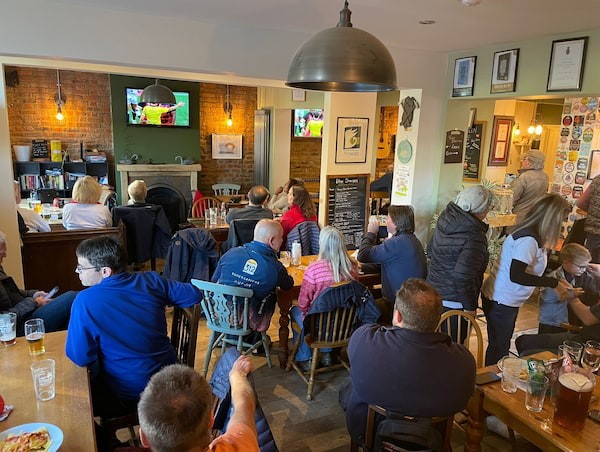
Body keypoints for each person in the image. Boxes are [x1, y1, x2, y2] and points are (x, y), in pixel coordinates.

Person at [65, 235, 201, 420]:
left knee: (75, 399)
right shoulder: (152, 281)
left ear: (105, 271)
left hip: (131, 394)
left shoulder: (85, 301)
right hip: (170, 378)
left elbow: (80, 358)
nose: (77, 271)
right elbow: (193, 295)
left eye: (81, 267)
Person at [342, 278, 476, 445]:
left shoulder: (365, 340)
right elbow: (461, 401)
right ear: (437, 320)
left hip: (371, 435)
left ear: (397, 315)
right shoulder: (463, 362)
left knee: (351, 388)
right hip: (433, 440)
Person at [481, 193, 574, 365]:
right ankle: (489, 384)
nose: (561, 225)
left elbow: (529, 272)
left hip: (503, 299)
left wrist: (557, 281)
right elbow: (516, 275)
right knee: (499, 347)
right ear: (551, 219)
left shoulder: (532, 236)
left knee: (498, 345)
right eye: (561, 220)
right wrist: (552, 283)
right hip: (502, 300)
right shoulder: (528, 240)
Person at [137, 356, 259, 452]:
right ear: (211, 420)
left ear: (144, 437)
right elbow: (244, 406)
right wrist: (237, 376)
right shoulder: (239, 446)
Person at [290, 226, 360, 372]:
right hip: (344, 326)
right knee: (334, 313)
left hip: (317, 327)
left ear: (323, 245)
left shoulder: (313, 270)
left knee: (295, 311)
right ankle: (329, 355)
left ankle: (306, 358)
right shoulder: (352, 268)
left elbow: (303, 304)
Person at [212, 219, 293, 332]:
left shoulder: (231, 253)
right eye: (281, 237)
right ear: (272, 240)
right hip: (251, 319)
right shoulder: (276, 267)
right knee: (272, 293)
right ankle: (255, 334)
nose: (282, 240)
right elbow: (288, 285)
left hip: (220, 312)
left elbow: (214, 280)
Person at [427, 185, 492, 321]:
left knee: (434, 340)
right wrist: (470, 306)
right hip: (455, 303)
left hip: (433, 295)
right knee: (455, 341)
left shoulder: (445, 220)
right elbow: (463, 276)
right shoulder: (475, 236)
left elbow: (431, 251)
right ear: (483, 210)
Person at [357, 205, 427, 324]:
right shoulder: (414, 241)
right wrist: (363, 268)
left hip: (397, 306)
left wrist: (371, 233)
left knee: (361, 308)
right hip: (414, 304)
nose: (385, 221)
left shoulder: (395, 243)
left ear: (395, 223)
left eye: (387, 218)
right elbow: (391, 262)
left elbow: (363, 255)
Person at [0, 230, 76, 335]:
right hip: (16, 328)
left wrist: (34, 294)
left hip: (26, 313)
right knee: (71, 298)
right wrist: (34, 302)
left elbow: (13, 293)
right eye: (1, 253)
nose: (5, 256)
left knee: (70, 305)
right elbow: (3, 319)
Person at [516, 263, 600, 355]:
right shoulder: (557, 276)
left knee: (527, 354)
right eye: (580, 266)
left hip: (591, 349)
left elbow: (588, 318)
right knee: (522, 341)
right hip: (580, 337)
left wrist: (571, 296)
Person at [537, 243, 599, 333]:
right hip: (551, 322)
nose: (584, 270)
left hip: (569, 320)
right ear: (566, 262)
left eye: (586, 266)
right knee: (545, 343)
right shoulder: (553, 278)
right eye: (581, 266)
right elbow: (545, 297)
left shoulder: (586, 276)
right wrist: (569, 293)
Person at [508, 149, 549, 232]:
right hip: (535, 216)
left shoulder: (524, 177)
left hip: (519, 218)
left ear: (529, 162)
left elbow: (511, 199)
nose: (522, 161)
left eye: (524, 159)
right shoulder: (545, 177)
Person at [575, 173, 600, 262]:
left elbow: (580, 203)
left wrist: (593, 212)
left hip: (593, 231)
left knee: (589, 264)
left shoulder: (597, 179)